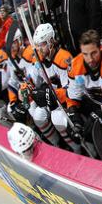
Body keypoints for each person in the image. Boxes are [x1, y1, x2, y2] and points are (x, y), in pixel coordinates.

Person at [63, 30, 102, 148]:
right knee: (65, 119)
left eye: (94, 53)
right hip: (93, 105)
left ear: (100, 48)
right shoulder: (76, 66)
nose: (90, 59)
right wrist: (74, 119)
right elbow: (73, 98)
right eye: (85, 54)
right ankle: (84, 152)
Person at [28, 23, 76, 152]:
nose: (39, 49)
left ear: (50, 41)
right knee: (37, 114)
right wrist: (26, 86)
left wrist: (51, 93)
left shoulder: (64, 58)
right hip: (51, 99)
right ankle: (56, 145)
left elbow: (72, 89)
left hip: (65, 102)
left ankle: (76, 148)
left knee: (57, 117)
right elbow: (32, 80)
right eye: (37, 45)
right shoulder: (38, 59)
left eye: (42, 44)